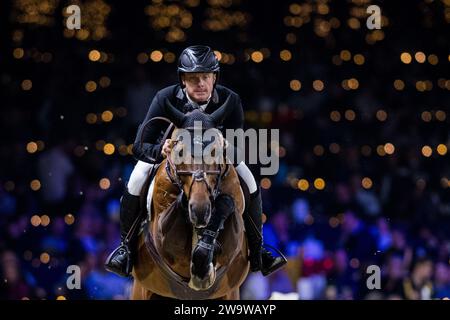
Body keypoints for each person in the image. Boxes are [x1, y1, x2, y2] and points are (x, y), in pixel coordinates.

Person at [105, 45, 286, 277]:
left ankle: (259, 251)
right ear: (183, 80)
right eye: (193, 78)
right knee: (136, 178)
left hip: (216, 163)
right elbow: (140, 146)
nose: (200, 83)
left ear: (214, 77)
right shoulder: (164, 98)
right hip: (173, 160)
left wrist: (228, 147)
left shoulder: (230, 100)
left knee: (250, 182)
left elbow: (240, 146)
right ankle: (126, 249)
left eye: (205, 77)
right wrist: (161, 149)